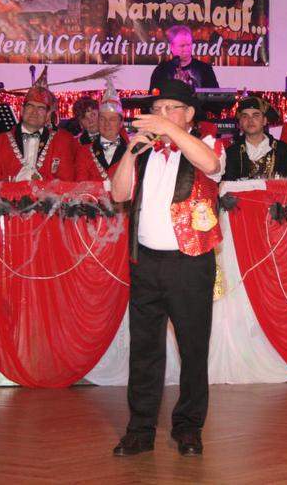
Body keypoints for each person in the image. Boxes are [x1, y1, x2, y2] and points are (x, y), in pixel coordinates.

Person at [109, 79, 224, 458]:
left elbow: (211, 165)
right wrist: (130, 153)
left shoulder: (206, 144)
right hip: (145, 263)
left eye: (170, 108)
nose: (160, 115)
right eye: (156, 110)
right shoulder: (145, 151)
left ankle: (189, 427)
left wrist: (170, 131)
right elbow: (118, 194)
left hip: (190, 263)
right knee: (145, 350)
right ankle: (139, 429)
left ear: (189, 114)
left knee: (193, 348)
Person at [0, 67, 76, 182]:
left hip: (49, 194)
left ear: (48, 115)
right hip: (10, 193)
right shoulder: (0, 141)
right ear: (22, 110)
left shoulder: (62, 141)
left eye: (41, 108)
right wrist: (14, 183)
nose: (34, 112)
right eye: (30, 106)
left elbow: (67, 182)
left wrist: (42, 185)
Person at [223, 95, 287, 181]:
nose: (250, 120)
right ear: (240, 122)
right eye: (245, 116)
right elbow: (227, 185)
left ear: (264, 121)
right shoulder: (232, 153)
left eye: (255, 115)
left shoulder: (282, 150)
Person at [75, 79, 128, 182]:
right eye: (103, 119)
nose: (90, 120)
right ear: (80, 123)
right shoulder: (82, 150)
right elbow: (81, 184)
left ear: (121, 123)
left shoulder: (131, 147)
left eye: (93, 115)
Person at [149, 25, 219, 90]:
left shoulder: (205, 69)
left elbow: (214, 95)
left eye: (189, 44)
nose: (186, 49)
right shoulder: (162, 70)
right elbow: (153, 95)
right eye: (182, 46)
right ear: (172, 47)